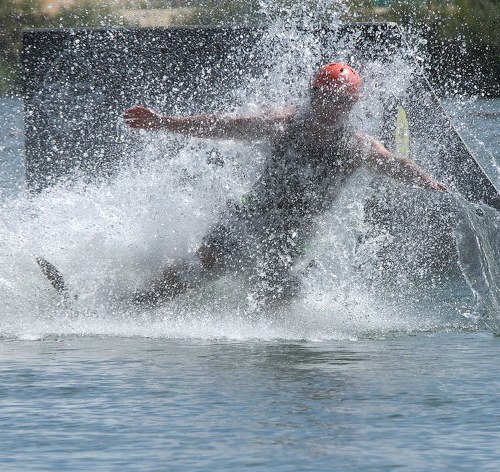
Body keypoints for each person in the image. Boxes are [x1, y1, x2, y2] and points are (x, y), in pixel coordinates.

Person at [121, 62, 447, 308]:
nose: (335, 108)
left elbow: (395, 164)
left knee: (280, 291)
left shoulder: (356, 146)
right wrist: (164, 123)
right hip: (252, 214)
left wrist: (429, 182)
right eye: (330, 99)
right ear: (313, 95)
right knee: (204, 265)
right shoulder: (281, 123)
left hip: (297, 233)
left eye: (345, 102)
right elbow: (225, 127)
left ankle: (259, 350)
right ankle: (135, 306)